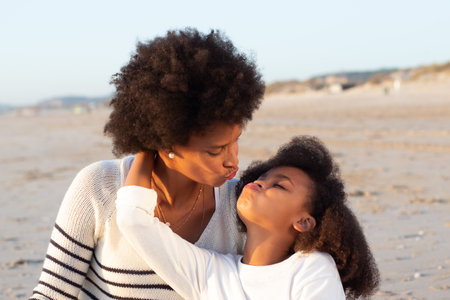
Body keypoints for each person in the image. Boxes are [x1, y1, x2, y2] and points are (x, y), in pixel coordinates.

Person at [30, 28, 265, 299]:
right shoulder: (99, 186)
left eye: (235, 141)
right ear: (166, 144)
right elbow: (52, 293)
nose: (233, 161)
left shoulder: (241, 205)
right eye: (215, 151)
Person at [116, 136, 380, 300]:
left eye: (279, 186)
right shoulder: (211, 271)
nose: (259, 184)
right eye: (261, 178)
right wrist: (148, 144)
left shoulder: (311, 268)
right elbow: (133, 219)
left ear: (304, 221)